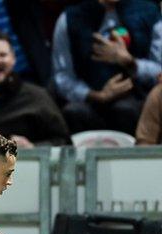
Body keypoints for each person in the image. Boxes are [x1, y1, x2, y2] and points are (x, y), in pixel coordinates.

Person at [51, 0, 162, 135]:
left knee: (125, 110)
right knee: (73, 113)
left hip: (137, 97)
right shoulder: (69, 19)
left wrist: (130, 62)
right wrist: (97, 95)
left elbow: (159, 70)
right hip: (88, 99)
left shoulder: (149, 12)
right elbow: (62, 76)